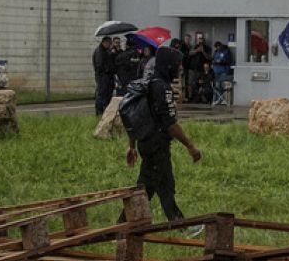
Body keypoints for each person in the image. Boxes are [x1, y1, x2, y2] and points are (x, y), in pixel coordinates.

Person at [124, 46, 203, 223]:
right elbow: (170, 125)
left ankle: (125, 223)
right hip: (156, 145)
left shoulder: (150, 83)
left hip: (147, 143)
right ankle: (177, 223)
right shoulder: (162, 88)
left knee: (152, 185)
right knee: (159, 185)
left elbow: (135, 117)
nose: (180, 68)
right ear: (169, 65)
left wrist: (132, 145)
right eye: (178, 64)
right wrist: (190, 146)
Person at [93, 36, 117, 114]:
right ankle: (99, 112)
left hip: (106, 77)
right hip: (102, 77)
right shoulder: (100, 51)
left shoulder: (105, 51)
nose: (110, 45)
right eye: (109, 43)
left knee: (106, 95)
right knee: (101, 94)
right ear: (104, 42)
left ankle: (104, 111)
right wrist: (108, 70)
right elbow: (100, 66)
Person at [211, 40, 234, 104]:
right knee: (217, 85)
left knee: (223, 85)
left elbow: (229, 60)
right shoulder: (216, 52)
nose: (217, 48)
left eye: (218, 47)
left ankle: (223, 99)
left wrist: (221, 62)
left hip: (224, 71)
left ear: (220, 46)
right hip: (216, 71)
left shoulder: (226, 52)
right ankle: (218, 99)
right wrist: (214, 62)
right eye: (216, 47)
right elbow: (213, 59)